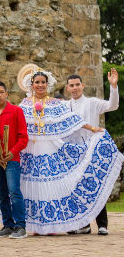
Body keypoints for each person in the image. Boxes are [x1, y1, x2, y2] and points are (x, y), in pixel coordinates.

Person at [1, 66, 123, 235]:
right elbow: (15, 123)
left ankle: (91, 224)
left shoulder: (61, 103)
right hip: (30, 150)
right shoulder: (25, 104)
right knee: (32, 187)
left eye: (43, 82)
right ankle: (36, 226)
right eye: (37, 82)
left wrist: (93, 129)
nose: (40, 85)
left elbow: (72, 120)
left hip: (57, 149)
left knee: (66, 184)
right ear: (32, 84)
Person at [64, 69, 119, 235]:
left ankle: (102, 224)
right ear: (67, 88)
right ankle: (83, 225)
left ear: (83, 85)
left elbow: (113, 106)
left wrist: (114, 87)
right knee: (76, 189)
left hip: (91, 148)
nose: (75, 88)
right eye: (71, 85)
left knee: (96, 185)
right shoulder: (64, 107)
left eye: (77, 85)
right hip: (73, 153)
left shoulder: (92, 103)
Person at [0, 81, 29, 239]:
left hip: (12, 159)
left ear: (6, 94)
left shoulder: (16, 111)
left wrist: (12, 152)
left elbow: (23, 137)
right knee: (2, 193)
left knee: (14, 192)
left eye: (1, 92)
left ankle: (20, 226)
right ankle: (8, 225)